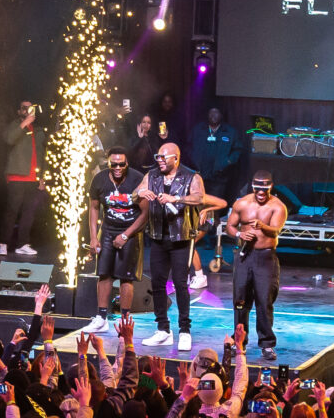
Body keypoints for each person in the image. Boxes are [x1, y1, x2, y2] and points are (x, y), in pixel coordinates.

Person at [135, 140, 223, 353]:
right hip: (158, 237)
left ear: (176, 158)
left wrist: (176, 199)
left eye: (164, 157)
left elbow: (199, 197)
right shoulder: (152, 175)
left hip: (181, 237)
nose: (160, 161)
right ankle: (163, 330)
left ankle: (184, 330)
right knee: (157, 283)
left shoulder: (191, 176)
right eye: (158, 157)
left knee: (181, 284)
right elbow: (135, 193)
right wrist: (140, 194)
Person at [225, 173, 287, 362]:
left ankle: (267, 344)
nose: (261, 193)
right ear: (252, 187)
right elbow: (229, 226)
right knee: (240, 301)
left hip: (265, 257)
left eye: (265, 189)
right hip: (244, 256)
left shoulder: (277, 206)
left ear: (271, 187)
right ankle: (239, 342)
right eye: (258, 189)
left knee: (264, 301)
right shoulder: (242, 204)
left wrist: (262, 226)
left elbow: (276, 230)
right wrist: (239, 235)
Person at [86, 149, 146, 337]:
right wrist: (94, 237)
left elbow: (145, 213)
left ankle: (124, 319)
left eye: (122, 164)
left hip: (131, 231)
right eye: (114, 164)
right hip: (108, 229)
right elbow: (94, 208)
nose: (118, 168)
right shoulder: (99, 179)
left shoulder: (137, 179)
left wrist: (126, 235)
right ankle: (101, 318)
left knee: (125, 276)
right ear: (108, 164)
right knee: (103, 274)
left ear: (127, 163)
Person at [0, 101, 45, 258]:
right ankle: (3, 244)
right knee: (12, 211)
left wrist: (42, 177)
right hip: (17, 175)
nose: (28, 110)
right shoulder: (14, 125)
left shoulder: (38, 130)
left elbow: (42, 156)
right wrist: (25, 123)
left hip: (33, 177)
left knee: (29, 212)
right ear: (19, 111)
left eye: (30, 107)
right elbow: (9, 139)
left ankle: (22, 244)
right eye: (24, 107)